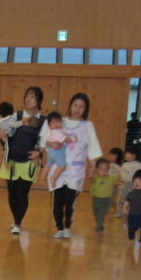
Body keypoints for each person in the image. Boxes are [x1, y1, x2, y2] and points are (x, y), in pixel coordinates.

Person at [40, 92, 102, 239]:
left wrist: (93, 164)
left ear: (85, 109)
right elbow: (43, 139)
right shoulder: (58, 121)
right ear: (70, 105)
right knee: (57, 202)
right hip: (57, 169)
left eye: (81, 107)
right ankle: (59, 227)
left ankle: (67, 225)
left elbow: (92, 146)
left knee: (69, 202)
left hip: (75, 170)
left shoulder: (87, 125)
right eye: (75, 105)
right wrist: (50, 144)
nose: (77, 109)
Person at [0, 87, 44, 235]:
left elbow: (45, 141)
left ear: (39, 100)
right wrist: (2, 140)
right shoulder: (16, 116)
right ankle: (16, 220)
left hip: (29, 161)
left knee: (22, 193)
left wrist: (39, 152)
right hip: (12, 159)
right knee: (12, 194)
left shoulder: (43, 120)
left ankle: (17, 223)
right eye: (27, 96)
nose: (28, 99)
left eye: (32, 96)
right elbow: (6, 134)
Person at [91, 150, 122, 234]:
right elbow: (90, 177)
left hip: (105, 200)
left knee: (101, 215)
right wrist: (91, 171)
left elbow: (119, 179)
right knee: (96, 215)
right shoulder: (96, 177)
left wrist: (116, 171)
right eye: (101, 169)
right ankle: (100, 226)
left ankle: (98, 228)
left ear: (108, 170)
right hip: (95, 200)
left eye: (106, 169)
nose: (103, 171)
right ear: (97, 169)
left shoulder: (111, 178)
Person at [44, 112, 76, 191]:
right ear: (49, 125)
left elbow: (46, 141)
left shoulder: (49, 131)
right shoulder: (57, 132)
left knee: (48, 165)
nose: (56, 124)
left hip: (50, 153)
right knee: (62, 166)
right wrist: (73, 139)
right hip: (57, 152)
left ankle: (42, 177)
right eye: (53, 122)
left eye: (58, 122)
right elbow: (66, 140)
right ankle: (54, 177)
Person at [117, 148, 141, 220]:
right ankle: (119, 212)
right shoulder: (124, 164)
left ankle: (131, 212)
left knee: (132, 199)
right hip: (124, 184)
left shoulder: (138, 165)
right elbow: (121, 174)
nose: (125, 155)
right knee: (121, 198)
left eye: (127, 153)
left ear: (133, 155)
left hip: (133, 185)